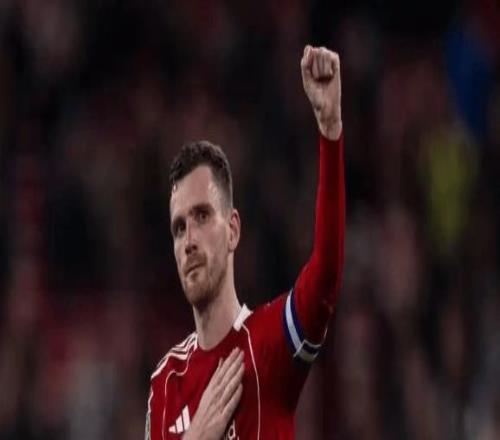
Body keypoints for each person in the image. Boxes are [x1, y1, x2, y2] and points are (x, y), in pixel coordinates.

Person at [145, 45, 345, 440]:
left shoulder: (269, 345)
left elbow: (326, 272)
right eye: (179, 227)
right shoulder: (164, 384)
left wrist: (330, 130)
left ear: (233, 229)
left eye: (202, 216)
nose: (189, 240)